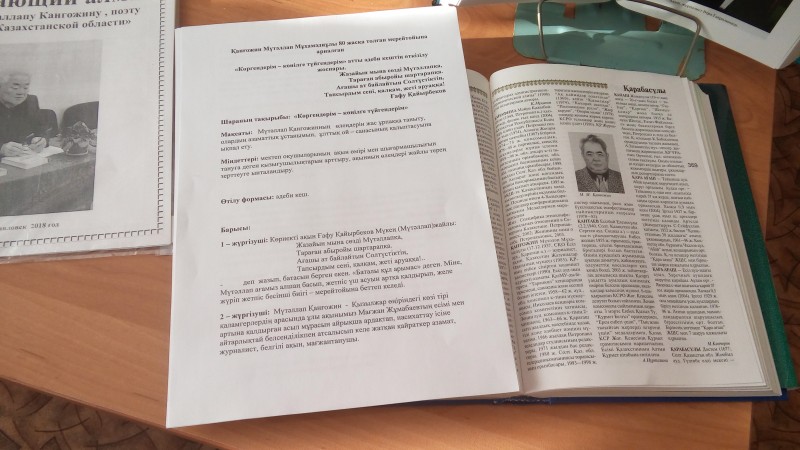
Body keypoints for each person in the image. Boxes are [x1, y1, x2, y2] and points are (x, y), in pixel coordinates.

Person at [0, 70, 48, 157]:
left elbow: (42, 129)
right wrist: (1, 148)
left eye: (25, 88)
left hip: (21, 159)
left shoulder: (31, 101)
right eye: (15, 87)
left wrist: (42, 140)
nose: (21, 92)